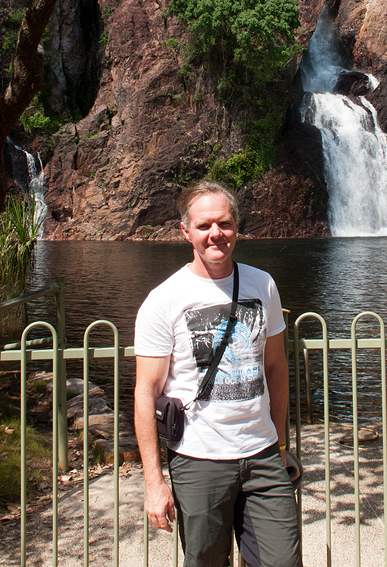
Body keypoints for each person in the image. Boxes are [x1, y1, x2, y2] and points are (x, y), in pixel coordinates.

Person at [134, 180, 302, 567]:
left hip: (262, 455)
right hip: (198, 460)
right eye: (205, 225)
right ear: (185, 231)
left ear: (237, 227)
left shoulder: (263, 284)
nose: (216, 234)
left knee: (283, 561)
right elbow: (146, 391)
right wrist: (154, 482)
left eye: (224, 223)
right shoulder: (165, 299)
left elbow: (276, 367)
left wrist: (279, 444)